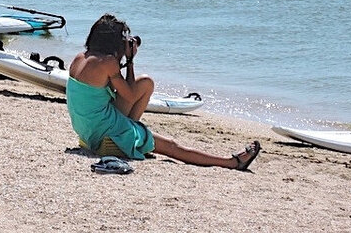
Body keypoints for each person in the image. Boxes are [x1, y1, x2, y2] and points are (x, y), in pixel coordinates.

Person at [67, 14, 261, 168]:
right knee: (171, 146)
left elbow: (118, 91)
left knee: (146, 83)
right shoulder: (108, 62)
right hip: (105, 137)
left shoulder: (80, 58)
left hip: (87, 133)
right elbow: (131, 96)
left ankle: (133, 137)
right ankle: (232, 162)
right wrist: (131, 60)